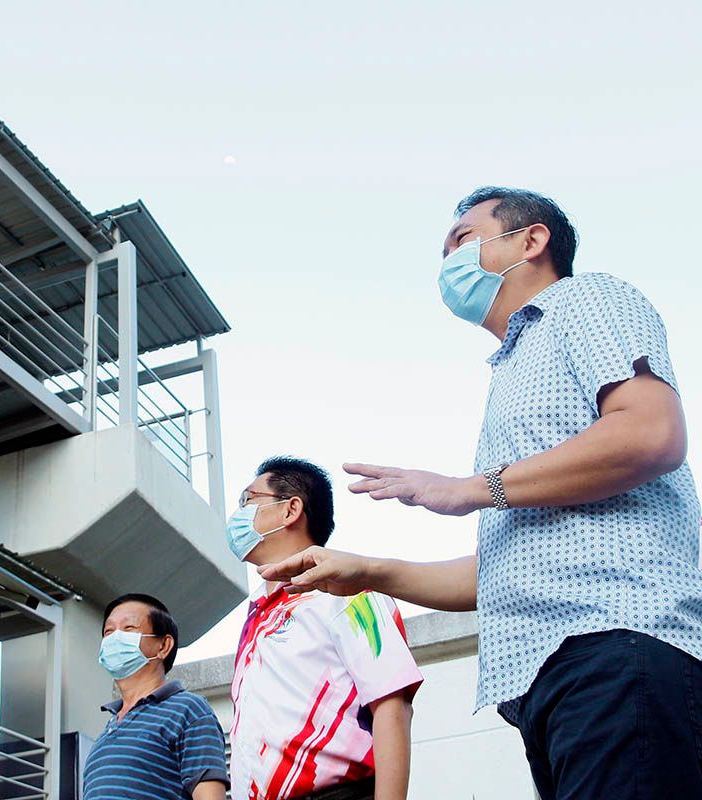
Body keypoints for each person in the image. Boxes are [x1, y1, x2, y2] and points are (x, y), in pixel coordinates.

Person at [259, 187, 702, 799]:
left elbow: (652, 432)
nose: (447, 261)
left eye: (462, 240)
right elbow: (497, 573)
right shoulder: (511, 373)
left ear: (532, 240)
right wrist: (367, 570)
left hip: (616, 645)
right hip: (548, 684)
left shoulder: (586, 299)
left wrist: (472, 489)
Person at [227, 457, 421, 800]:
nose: (238, 514)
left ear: (291, 510)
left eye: (249, 500)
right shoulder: (256, 613)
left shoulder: (352, 593)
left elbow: (392, 707)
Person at [83, 594, 229, 800]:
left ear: (163, 646)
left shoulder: (189, 711)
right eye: (108, 631)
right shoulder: (104, 736)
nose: (115, 638)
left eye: (129, 628)